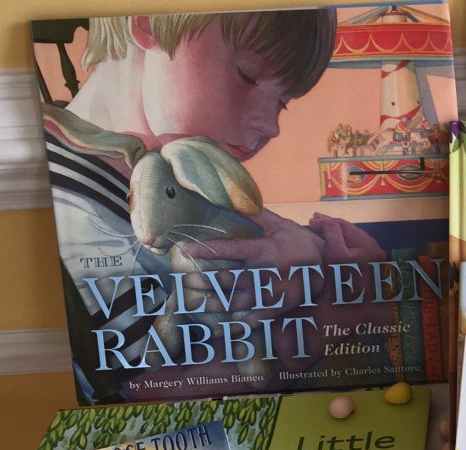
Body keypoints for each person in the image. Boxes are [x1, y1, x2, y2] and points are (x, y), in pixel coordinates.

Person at [44, 10, 394, 402]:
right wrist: (330, 318)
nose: (271, 126)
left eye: (282, 103)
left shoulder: (172, 164)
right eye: (247, 75)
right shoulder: (80, 212)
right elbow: (145, 393)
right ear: (146, 21)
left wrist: (307, 256)